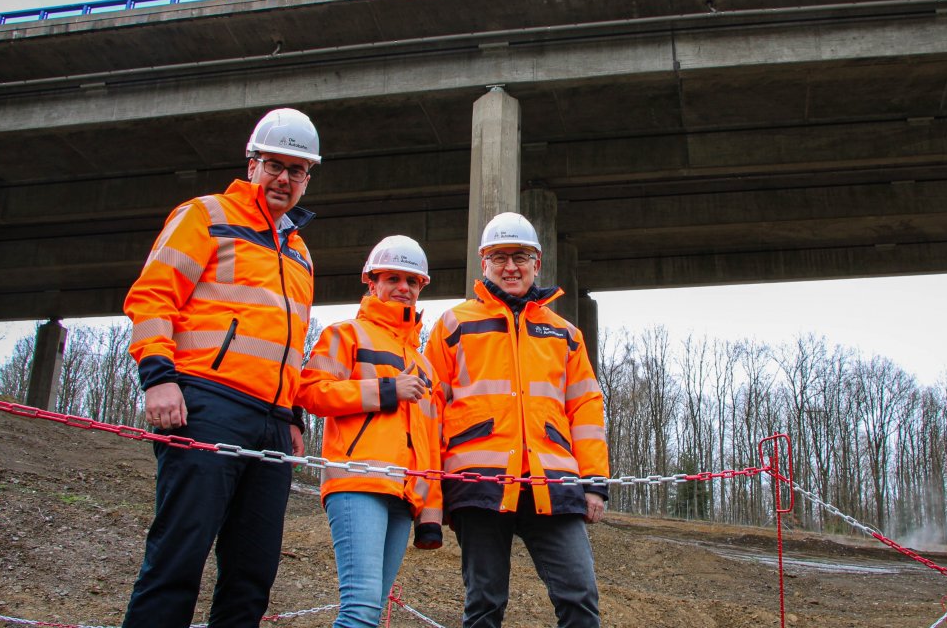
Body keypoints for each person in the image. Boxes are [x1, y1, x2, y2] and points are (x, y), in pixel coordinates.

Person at [121, 107, 321, 628]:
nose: (284, 178)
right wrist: (159, 378)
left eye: (296, 170)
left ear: (307, 179)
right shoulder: (204, 215)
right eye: (274, 164)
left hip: (273, 423)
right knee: (178, 558)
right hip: (206, 403)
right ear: (251, 163)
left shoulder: (299, 253)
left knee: (253, 574)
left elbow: (290, 344)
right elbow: (151, 297)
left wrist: (293, 417)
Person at [424, 212, 610, 628]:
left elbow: (586, 409)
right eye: (499, 257)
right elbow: (429, 411)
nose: (511, 266)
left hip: (554, 483)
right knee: (485, 602)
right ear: (483, 263)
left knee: (580, 596)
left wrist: (594, 482)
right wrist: (432, 490)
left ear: (537, 263)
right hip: (478, 485)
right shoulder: (454, 325)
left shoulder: (564, 333)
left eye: (521, 256)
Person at [295, 235, 443, 628]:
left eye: (412, 282)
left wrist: (430, 513)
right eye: (393, 278)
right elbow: (310, 392)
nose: (403, 289)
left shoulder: (425, 365)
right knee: (360, 608)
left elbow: (429, 445)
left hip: (404, 494)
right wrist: (387, 390)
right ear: (372, 282)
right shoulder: (345, 335)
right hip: (356, 483)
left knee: (372, 611)